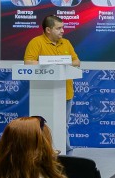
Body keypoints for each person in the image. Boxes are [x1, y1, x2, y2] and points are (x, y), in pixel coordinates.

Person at [23, 15, 81, 152]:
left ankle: (66, 153)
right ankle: (42, 153)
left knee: (63, 125)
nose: (62, 31)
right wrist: (50, 64)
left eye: (62, 28)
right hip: (44, 94)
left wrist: (62, 62)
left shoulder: (66, 43)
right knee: (42, 126)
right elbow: (28, 62)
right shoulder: (36, 42)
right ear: (48, 30)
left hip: (66, 92)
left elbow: (77, 62)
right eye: (58, 28)